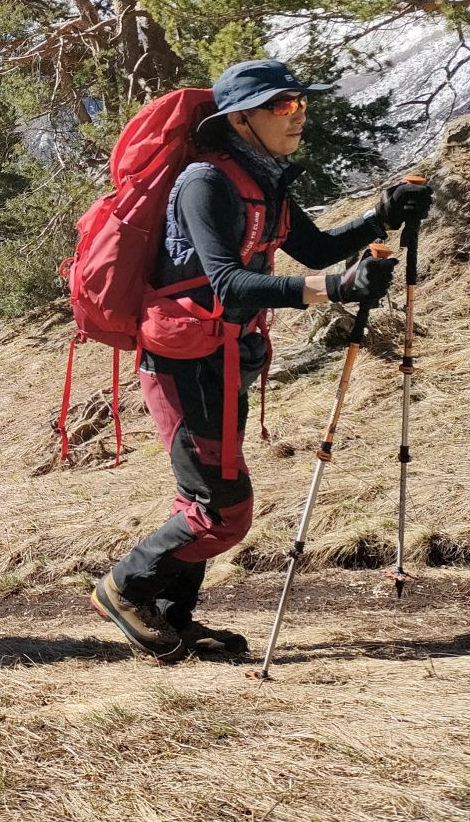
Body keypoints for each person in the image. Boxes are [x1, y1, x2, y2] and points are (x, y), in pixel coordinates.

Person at [93, 59, 432, 662]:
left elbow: (316, 247)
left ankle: (173, 617)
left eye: (301, 103)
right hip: (185, 363)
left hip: (226, 357)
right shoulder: (205, 181)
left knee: (203, 498)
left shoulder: (264, 179)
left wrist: (382, 215)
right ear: (241, 118)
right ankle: (125, 586)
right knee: (224, 512)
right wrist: (332, 289)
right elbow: (226, 283)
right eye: (282, 106)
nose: (297, 115)